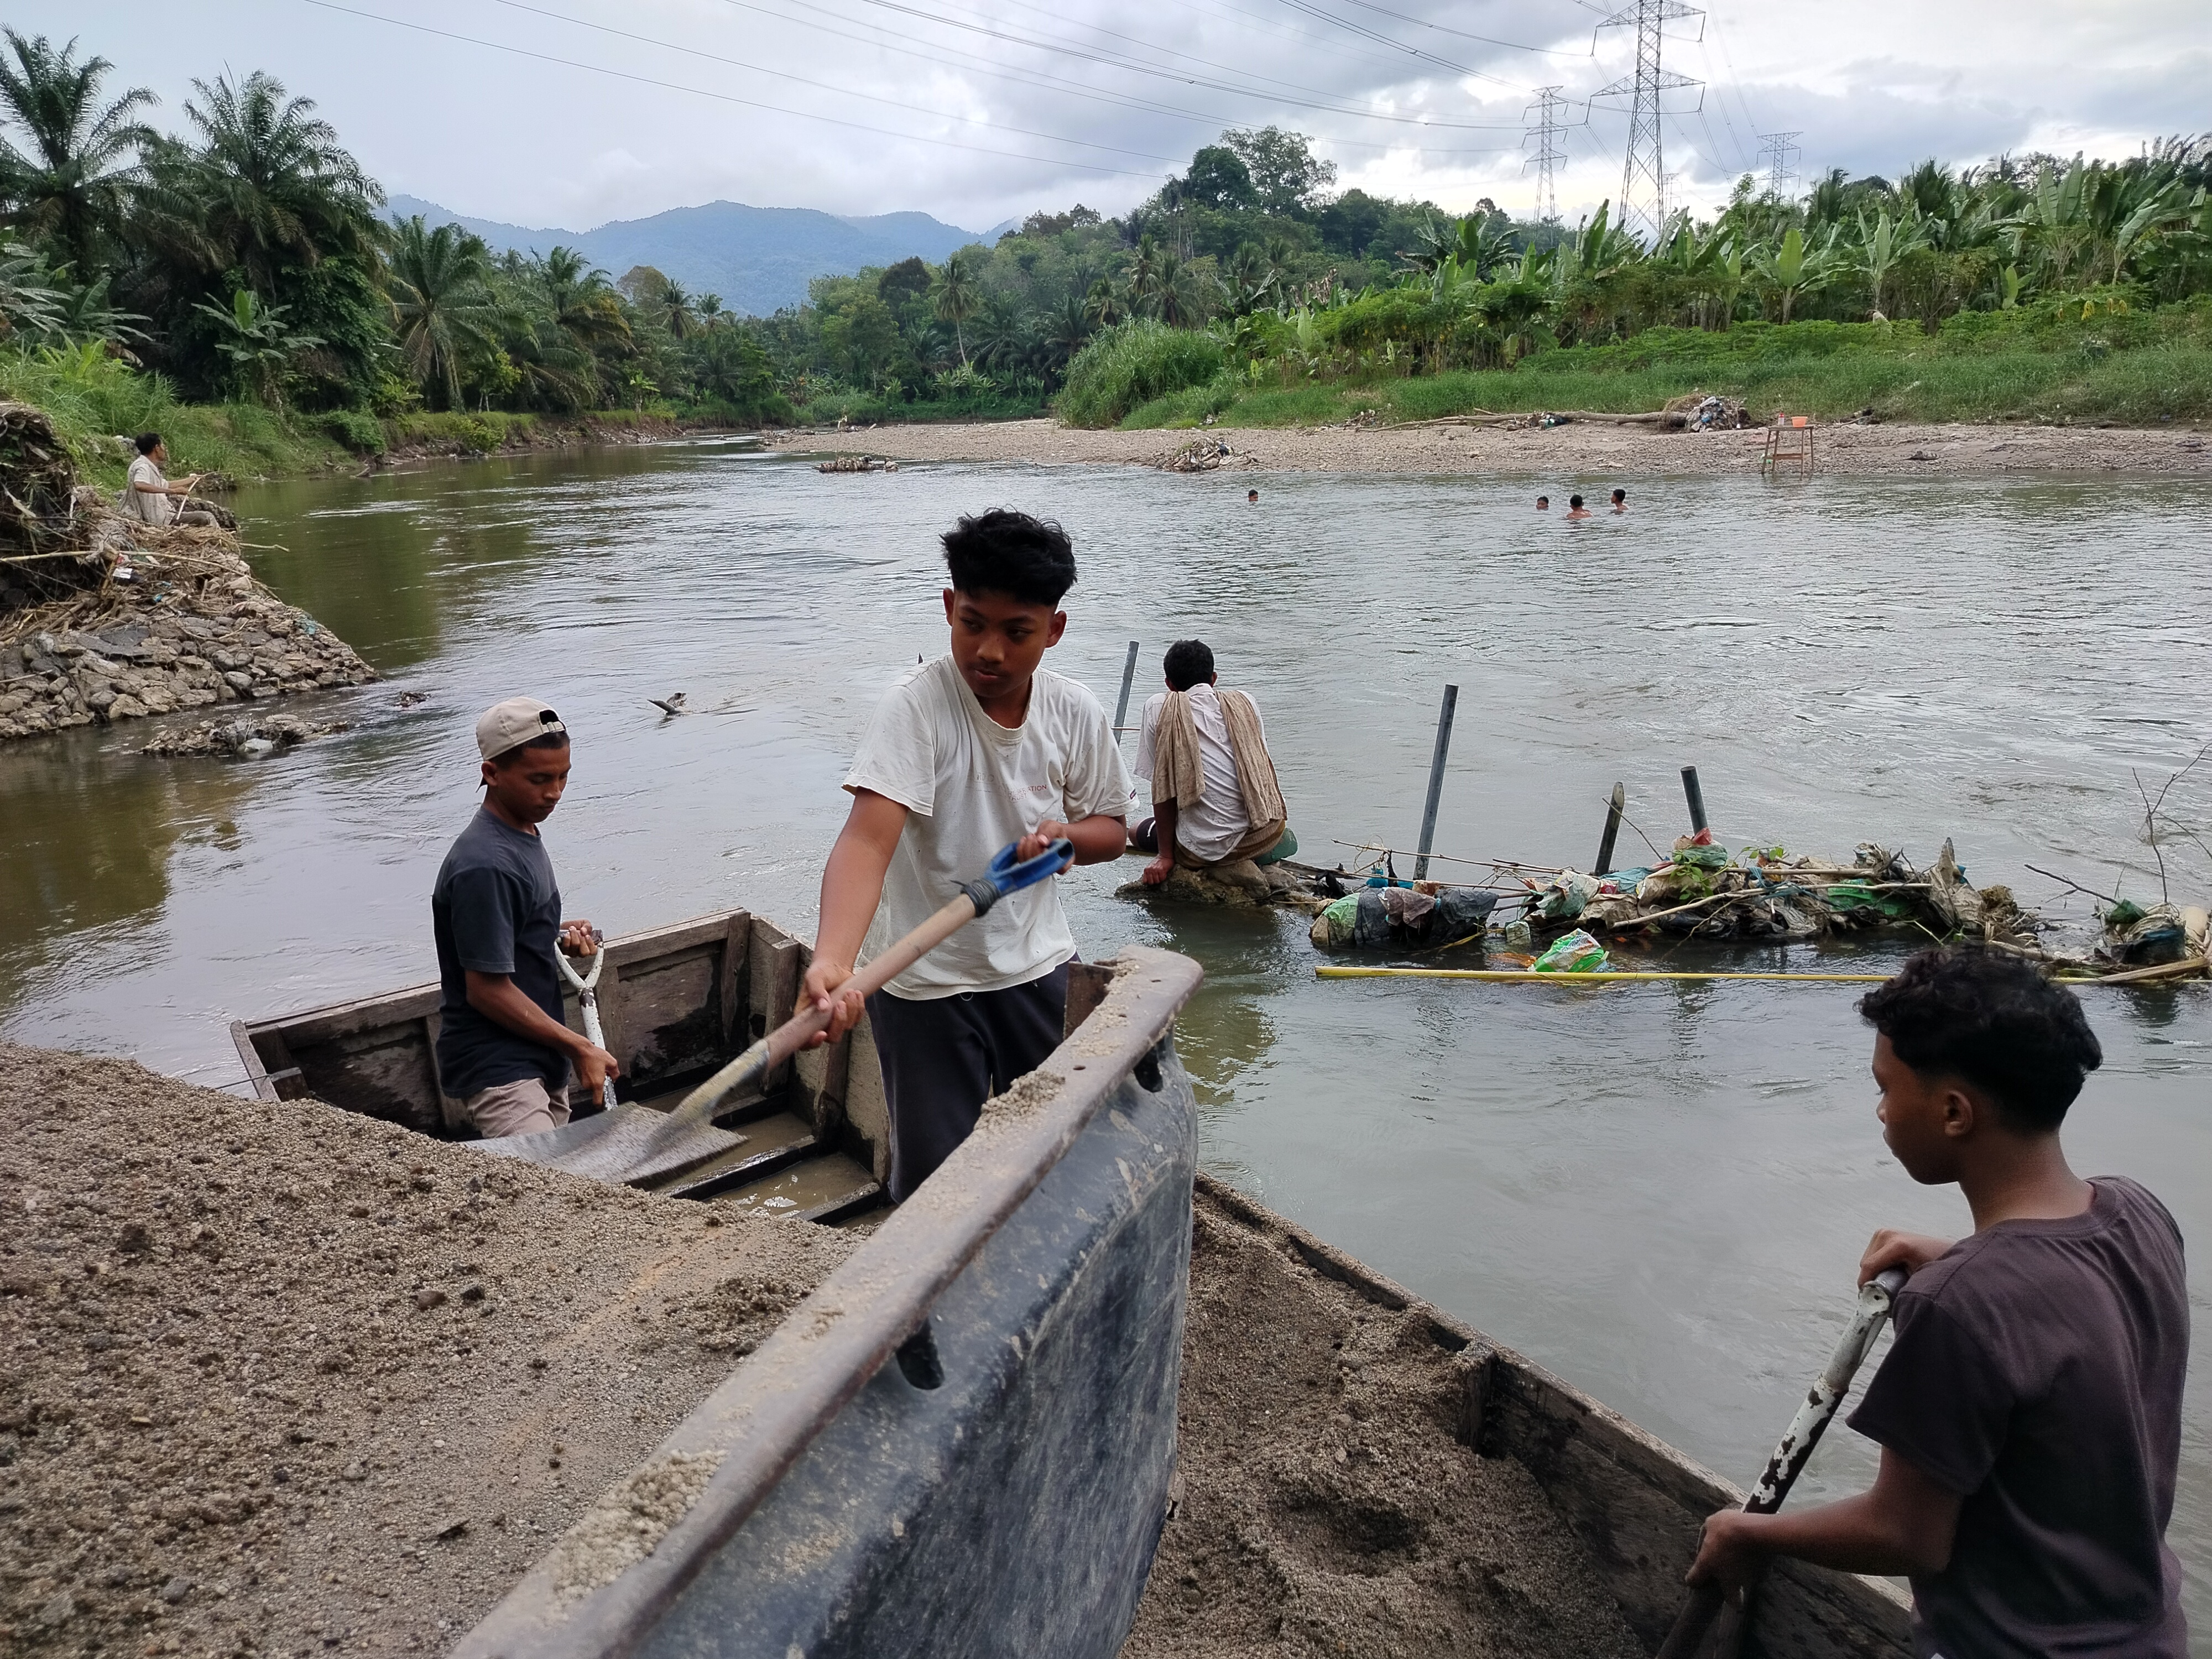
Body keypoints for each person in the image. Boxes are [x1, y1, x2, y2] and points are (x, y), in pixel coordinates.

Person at [1686, 947, 2188, 1658]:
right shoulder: (2138, 1212)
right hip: (2145, 1633)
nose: (1882, 1111)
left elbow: (1906, 1537)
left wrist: (1749, 1531)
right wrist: (1956, 1258)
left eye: (1887, 1088)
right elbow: (2064, 1303)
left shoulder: (1959, 1306)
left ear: (1953, 1112)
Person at [802, 510, 1130, 1202]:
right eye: (972, 624)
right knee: (933, 1187)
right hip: (923, 985)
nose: (990, 652)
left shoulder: (1073, 711)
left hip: (1036, 968)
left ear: (1054, 630)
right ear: (949, 608)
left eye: (1018, 634)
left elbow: (1111, 831)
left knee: (1053, 1155)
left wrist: (1065, 839)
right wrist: (834, 960)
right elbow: (867, 839)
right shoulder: (916, 710)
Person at [431, 699, 617, 1139]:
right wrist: (580, 1047)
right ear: (491, 774)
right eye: (539, 779)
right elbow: (486, 991)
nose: (554, 792)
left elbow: (507, 930)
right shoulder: (485, 864)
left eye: (563, 776)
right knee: (544, 1190)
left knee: (555, 1187)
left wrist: (554, 934)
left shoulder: (523, 832)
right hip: (499, 1065)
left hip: (537, 1052)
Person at [1129, 639, 1292, 885]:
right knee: (1287, 838)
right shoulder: (1245, 701)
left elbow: (1163, 788)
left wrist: (1165, 855)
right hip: (1263, 833)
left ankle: (1210, 851)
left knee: (1135, 830)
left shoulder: (1158, 706)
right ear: (1213, 678)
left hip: (1202, 850)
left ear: (1169, 685)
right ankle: (1253, 856)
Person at [124, 434, 213, 528]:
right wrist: (173, 491)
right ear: (157, 448)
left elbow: (164, 484)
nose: (165, 449)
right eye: (162, 445)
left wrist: (190, 480)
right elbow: (139, 485)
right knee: (206, 517)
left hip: (162, 516)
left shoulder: (147, 466)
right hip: (158, 519)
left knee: (207, 516)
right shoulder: (143, 466)